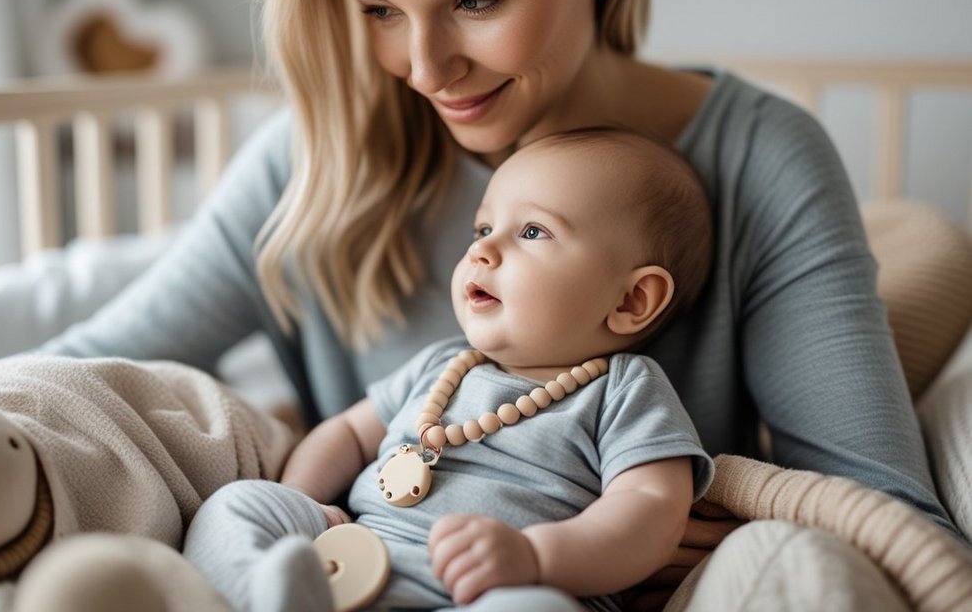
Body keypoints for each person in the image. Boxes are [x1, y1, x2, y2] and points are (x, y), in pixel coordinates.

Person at [41, 0, 958, 603]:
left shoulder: (757, 158)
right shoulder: (320, 155)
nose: (426, 69)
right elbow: (91, 372)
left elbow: (874, 511)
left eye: (474, 2)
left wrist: (611, 537)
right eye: (379, 11)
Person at [181, 128, 716, 612]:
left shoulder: (623, 390)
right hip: (350, 561)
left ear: (632, 299)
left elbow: (650, 512)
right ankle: (265, 591)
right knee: (238, 505)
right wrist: (301, 506)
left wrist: (535, 558)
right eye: (484, 226)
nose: (482, 248)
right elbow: (346, 433)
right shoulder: (443, 365)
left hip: (495, 591)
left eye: (532, 232)